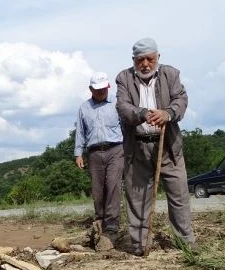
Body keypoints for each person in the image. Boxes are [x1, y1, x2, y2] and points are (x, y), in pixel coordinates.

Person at [115, 38, 196, 255]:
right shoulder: (124, 78)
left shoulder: (171, 75)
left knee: (179, 195)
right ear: (134, 61)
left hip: (168, 147)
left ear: (157, 57)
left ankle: (185, 243)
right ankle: (140, 245)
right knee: (137, 198)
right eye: (140, 60)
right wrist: (142, 113)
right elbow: (123, 107)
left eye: (150, 59)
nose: (145, 64)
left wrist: (167, 113)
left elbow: (181, 99)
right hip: (138, 149)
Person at [74, 71, 124, 237]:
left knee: (113, 185)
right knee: (98, 189)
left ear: (109, 86)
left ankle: (112, 224)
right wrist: (78, 153)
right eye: (98, 89)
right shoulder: (84, 108)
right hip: (94, 152)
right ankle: (100, 220)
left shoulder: (117, 103)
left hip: (115, 149)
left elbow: (125, 126)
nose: (102, 92)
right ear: (91, 89)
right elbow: (80, 132)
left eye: (104, 88)